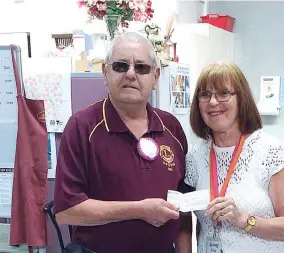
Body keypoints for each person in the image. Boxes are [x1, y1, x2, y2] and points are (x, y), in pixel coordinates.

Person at [53, 32, 192, 253]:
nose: (130, 74)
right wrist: (139, 210)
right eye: (120, 66)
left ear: (155, 76)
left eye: (141, 68)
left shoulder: (171, 127)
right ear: (105, 73)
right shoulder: (82, 127)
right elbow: (66, 211)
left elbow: (184, 206)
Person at [184, 61, 284, 253]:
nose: (213, 102)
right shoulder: (194, 157)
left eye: (223, 93)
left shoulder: (271, 151)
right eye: (205, 94)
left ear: (242, 99)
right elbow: (200, 224)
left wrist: (244, 220)